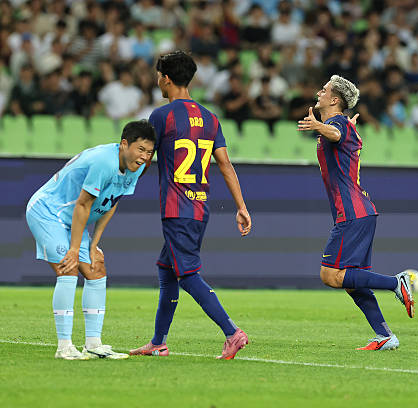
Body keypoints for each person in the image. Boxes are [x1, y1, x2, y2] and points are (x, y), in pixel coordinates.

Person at [130, 51, 252, 360]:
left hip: (177, 208)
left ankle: (232, 332)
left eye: (159, 76)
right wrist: (241, 206)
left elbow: (144, 157)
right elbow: (224, 164)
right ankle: (158, 342)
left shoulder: (162, 116)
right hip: (198, 207)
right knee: (167, 269)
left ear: (166, 79)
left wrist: (121, 182)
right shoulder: (211, 118)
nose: (158, 81)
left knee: (187, 275)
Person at [297, 75, 414, 351]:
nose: (319, 92)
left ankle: (395, 282)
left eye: (324, 90)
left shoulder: (337, 124)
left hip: (352, 212)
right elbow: (341, 138)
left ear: (335, 100)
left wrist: (319, 126)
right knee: (351, 281)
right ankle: (385, 335)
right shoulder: (341, 124)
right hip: (358, 212)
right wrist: (326, 128)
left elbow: (337, 134)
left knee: (330, 275)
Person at [25, 120, 156, 360]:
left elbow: (111, 202)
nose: (144, 157)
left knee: (96, 269)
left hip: (73, 218)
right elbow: (83, 205)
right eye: (140, 149)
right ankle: (64, 347)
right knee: (68, 267)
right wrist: (75, 249)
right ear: (124, 144)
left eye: (149, 152)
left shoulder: (136, 167)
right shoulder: (104, 162)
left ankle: (94, 344)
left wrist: (94, 244)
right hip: (48, 212)